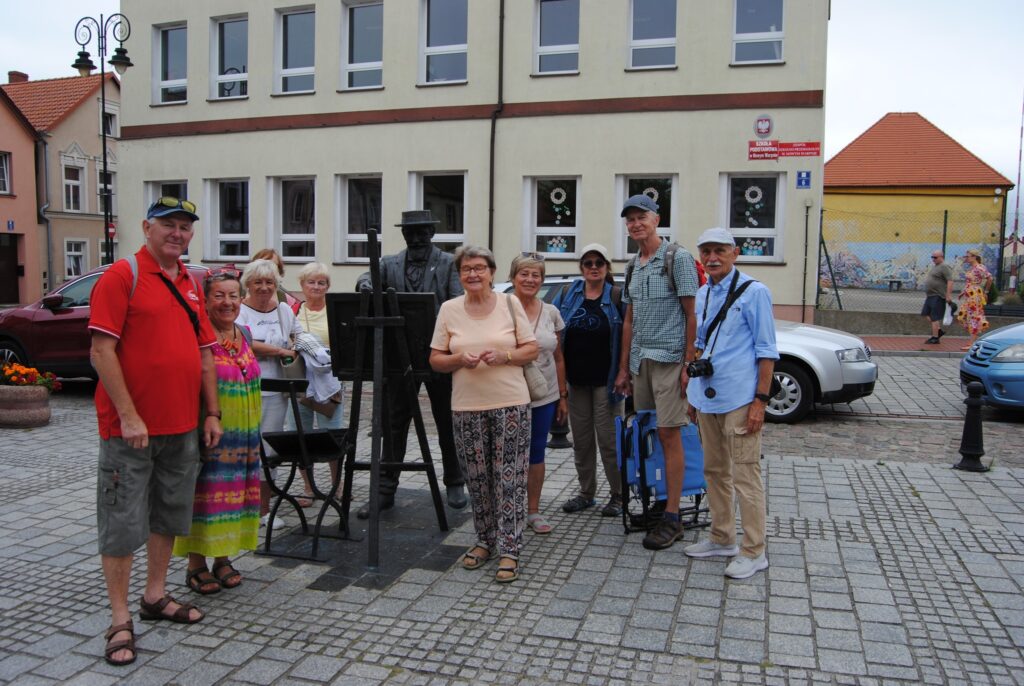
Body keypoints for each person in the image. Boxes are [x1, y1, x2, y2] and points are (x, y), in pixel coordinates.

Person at [89, 196, 222, 666]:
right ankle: (120, 618)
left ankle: (155, 595)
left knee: (169, 515)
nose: (178, 233)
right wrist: (128, 415)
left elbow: (206, 353)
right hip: (130, 432)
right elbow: (102, 352)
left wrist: (212, 413)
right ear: (146, 226)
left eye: (185, 227)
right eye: (169, 224)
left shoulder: (189, 282)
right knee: (122, 522)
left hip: (182, 427)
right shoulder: (121, 276)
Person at [429, 246, 538, 583]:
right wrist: (458, 360)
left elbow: (531, 348)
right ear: (459, 275)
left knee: (509, 479)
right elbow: (435, 359)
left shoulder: (510, 303)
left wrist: (505, 356)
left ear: (492, 272)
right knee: (477, 480)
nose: (473, 274)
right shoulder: (449, 309)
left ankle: (510, 548)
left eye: (479, 268)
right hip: (466, 407)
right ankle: (485, 540)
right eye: (466, 269)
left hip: (510, 404)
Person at [355, 210, 466, 515]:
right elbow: (368, 275)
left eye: (421, 232)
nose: (416, 238)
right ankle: (385, 488)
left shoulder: (448, 264)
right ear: (404, 235)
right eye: (410, 233)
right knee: (393, 422)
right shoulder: (389, 263)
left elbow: (457, 303)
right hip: (399, 353)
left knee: (446, 419)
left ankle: (455, 480)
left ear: (432, 232)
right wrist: (365, 284)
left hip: (438, 353)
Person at [683, 228, 778, 580]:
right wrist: (692, 392)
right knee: (714, 471)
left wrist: (760, 402)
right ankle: (722, 537)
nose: (712, 258)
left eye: (719, 250)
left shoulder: (755, 293)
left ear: (734, 253)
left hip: (741, 396)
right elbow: (701, 343)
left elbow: (767, 351)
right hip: (708, 395)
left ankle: (754, 550)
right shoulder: (704, 291)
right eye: (706, 251)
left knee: (745, 475)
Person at [612, 194, 699, 551]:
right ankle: (661, 501)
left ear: (657, 219)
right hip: (641, 363)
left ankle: (674, 516)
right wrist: (623, 369)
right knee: (648, 432)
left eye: (641, 217)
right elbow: (628, 320)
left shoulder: (676, 258)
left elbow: (692, 313)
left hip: (669, 360)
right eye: (630, 219)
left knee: (669, 435)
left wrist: (688, 364)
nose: (635, 224)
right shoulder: (633, 265)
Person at [173, 267, 262, 595]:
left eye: (233, 296)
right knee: (205, 498)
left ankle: (223, 557)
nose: (227, 302)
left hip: (245, 437)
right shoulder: (198, 335)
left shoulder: (245, 334)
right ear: (206, 301)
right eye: (219, 296)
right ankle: (196, 564)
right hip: (211, 433)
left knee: (233, 498)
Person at [552, 243, 625, 517]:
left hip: (606, 383)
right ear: (581, 267)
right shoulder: (569, 294)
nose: (593, 267)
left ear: (607, 267)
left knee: (609, 442)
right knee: (581, 441)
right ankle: (586, 492)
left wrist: (624, 372)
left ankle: (618, 494)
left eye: (599, 263)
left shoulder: (616, 296)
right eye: (588, 263)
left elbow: (628, 337)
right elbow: (553, 327)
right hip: (576, 381)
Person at [236, 259, 303, 524]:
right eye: (258, 282)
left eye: (269, 282)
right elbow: (243, 342)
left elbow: (298, 334)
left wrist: (298, 348)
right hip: (245, 388)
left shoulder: (284, 310)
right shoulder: (240, 312)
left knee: (269, 451)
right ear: (247, 285)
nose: (264, 288)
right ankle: (241, 506)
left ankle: (263, 510)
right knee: (244, 449)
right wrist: (279, 351)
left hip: (277, 390)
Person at [510, 253, 567, 535]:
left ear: (542, 280)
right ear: (513, 277)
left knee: (536, 451)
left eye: (536, 275)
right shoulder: (501, 309)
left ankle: (532, 510)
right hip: (506, 394)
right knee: (507, 453)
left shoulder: (551, 312)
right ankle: (507, 508)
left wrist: (564, 396)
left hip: (544, 393)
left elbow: (558, 358)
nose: (530, 279)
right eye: (524, 274)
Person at [292, 262, 344, 432]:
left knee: (331, 430)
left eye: (321, 283)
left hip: (328, 377)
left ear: (327, 286)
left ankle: (333, 459)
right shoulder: (293, 310)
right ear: (302, 284)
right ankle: (301, 459)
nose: (316, 287)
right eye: (311, 282)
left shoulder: (334, 311)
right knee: (298, 430)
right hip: (300, 376)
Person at [956, 248, 993, 351]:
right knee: (963, 317)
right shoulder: (972, 268)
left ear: (974, 257)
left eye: (967, 256)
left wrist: (986, 292)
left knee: (974, 317)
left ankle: (972, 342)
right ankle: (973, 339)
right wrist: (963, 292)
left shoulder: (979, 268)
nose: (966, 258)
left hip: (975, 295)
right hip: (969, 295)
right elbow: (970, 282)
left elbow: (989, 278)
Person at [922, 250, 954, 344]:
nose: (933, 259)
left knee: (934, 317)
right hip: (930, 295)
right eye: (932, 257)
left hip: (938, 295)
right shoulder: (936, 266)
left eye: (935, 257)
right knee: (926, 314)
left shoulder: (944, 267)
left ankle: (935, 337)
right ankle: (938, 331)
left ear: (941, 257)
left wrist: (948, 295)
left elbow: (950, 281)